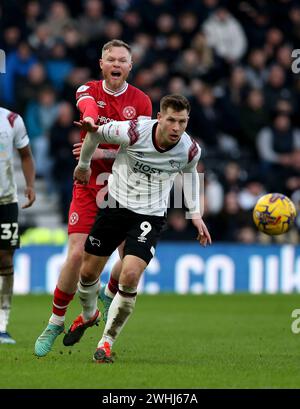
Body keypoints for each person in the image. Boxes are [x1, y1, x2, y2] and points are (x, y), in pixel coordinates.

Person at [63, 94, 212, 363]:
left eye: (182, 121)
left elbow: (190, 173)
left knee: (130, 275)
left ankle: (106, 342)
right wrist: (84, 165)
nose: (176, 127)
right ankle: (89, 314)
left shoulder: (190, 150)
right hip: (114, 205)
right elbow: (94, 134)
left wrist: (195, 215)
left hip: (149, 215)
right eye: (171, 120)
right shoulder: (132, 130)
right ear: (159, 118)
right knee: (87, 272)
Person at [34, 39, 152, 357]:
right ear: (102, 64)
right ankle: (56, 320)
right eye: (110, 59)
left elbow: (139, 147)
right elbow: (87, 110)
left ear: (130, 66)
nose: (116, 64)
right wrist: (89, 123)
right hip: (89, 184)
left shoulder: (142, 103)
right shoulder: (88, 91)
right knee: (75, 256)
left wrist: (100, 148)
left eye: (122, 60)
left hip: (125, 188)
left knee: (128, 264)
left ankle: (108, 294)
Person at [0, 107, 36, 344]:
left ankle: (2, 325)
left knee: (5, 259)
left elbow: (25, 155)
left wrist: (30, 185)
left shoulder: (12, 120)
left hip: (5, 202)